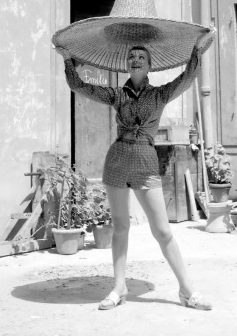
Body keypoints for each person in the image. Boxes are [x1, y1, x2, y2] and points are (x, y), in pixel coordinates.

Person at [55, 26, 215, 311]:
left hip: (145, 161)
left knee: (163, 231)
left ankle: (187, 290)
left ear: (150, 64)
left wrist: (196, 51)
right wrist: (68, 60)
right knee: (120, 226)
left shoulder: (161, 94)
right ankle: (119, 288)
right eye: (132, 56)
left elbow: (187, 78)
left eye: (141, 55)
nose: (136, 58)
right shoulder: (117, 95)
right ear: (127, 64)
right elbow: (80, 86)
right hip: (117, 160)